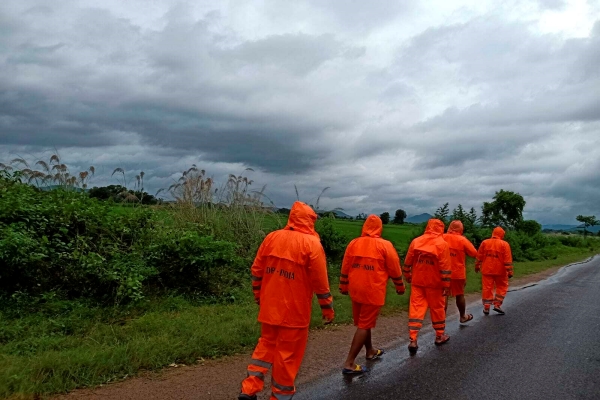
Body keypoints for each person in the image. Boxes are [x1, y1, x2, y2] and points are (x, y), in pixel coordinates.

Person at [239, 201, 334, 400]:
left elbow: (257, 271)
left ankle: (249, 389)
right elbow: (320, 282)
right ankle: (280, 396)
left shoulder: (271, 238)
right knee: (287, 356)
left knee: (265, 346)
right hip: (295, 312)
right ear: (310, 220)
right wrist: (327, 309)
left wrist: (258, 296)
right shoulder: (312, 245)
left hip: (270, 307)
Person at [339, 215, 405, 375]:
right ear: (379, 228)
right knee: (364, 325)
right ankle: (349, 363)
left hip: (356, 289)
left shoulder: (354, 243)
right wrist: (400, 286)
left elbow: (346, 265)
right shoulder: (385, 245)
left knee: (364, 322)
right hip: (372, 290)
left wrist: (343, 285)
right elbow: (394, 268)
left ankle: (370, 351)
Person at [403, 219, 452, 354]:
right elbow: (445, 267)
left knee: (416, 309)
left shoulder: (416, 241)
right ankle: (439, 336)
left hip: (418, 282)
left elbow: (407, 261)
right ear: (441, 229)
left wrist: (407, 275)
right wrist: (446, 285)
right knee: (437, 309)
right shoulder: (442, 244)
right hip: (435, 284)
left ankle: (413, 340)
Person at [443, 220, 478, 323]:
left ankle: (441, 321)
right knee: (460, 294)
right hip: (458, 273)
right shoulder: (462, 240)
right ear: (461, 229)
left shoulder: (441, 237)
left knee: (443, 295)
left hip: (442, 272)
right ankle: (463, 316)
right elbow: (474, 253)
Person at [475, 226, 513, 315]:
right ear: (502, 234)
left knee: (487, 288)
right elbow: (507, 260)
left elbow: (479, 256)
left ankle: (486, 307)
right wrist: (510, 271)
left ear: (493, 233)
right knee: (502, 286)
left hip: (487, 270)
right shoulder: (505, 244)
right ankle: (497, 304)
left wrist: (477, 266)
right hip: (500, 271)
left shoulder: (485, 242)